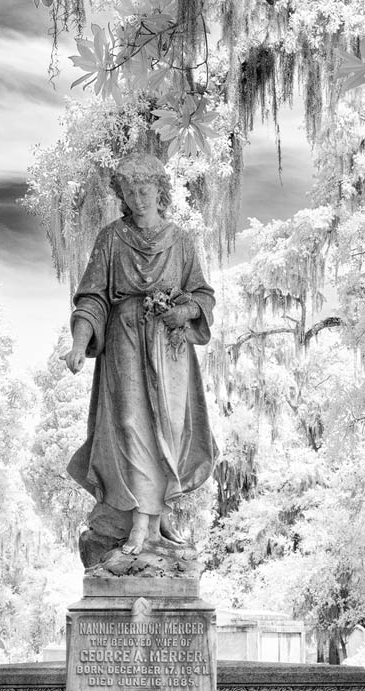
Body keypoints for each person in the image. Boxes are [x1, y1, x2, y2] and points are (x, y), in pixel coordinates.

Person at [64, 152, 218, 556]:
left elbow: (202, 296)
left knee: (168, 431)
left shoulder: (180, 241)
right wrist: (80, 344)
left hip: (169, 351)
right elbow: (92, 298)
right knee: (130, 426)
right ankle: (139, 526)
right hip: (126, 342)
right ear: (122, 196)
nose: (138, 197)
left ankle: (155, 519)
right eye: (130, 191)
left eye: (145, 189)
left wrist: (181, 311)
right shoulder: (111, 239)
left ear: (160, 190)